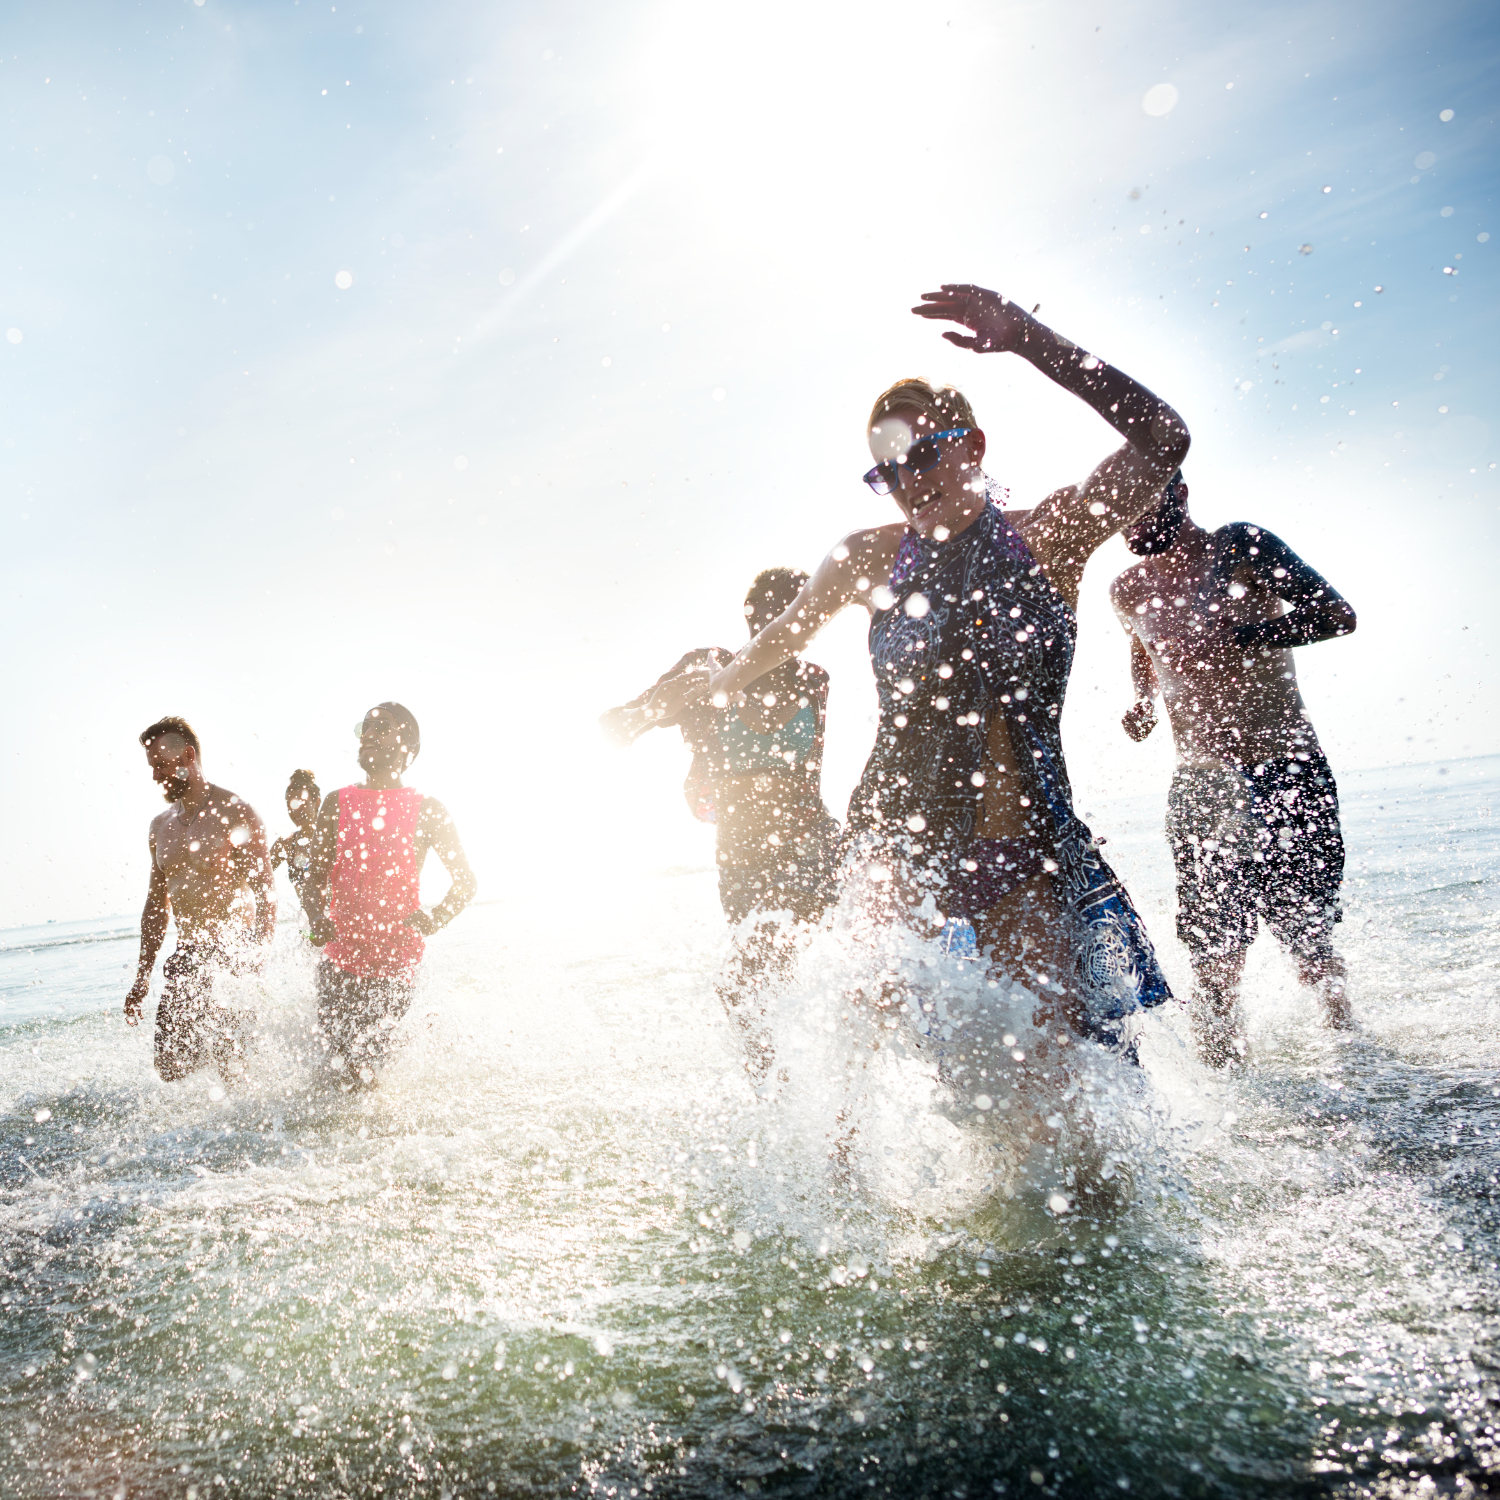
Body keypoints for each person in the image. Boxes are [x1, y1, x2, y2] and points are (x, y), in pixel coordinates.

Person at [651, 284, 1191, 1048]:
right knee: (874, 1058)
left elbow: (1164, 439)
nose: (909, 481)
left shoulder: (1050, 538)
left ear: (974, 447)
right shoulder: (868, 559)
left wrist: (1028, 338)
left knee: (1060, 1079)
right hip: (897, 849)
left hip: (1026, 846)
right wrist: (714, 684)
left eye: (924, 454)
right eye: (889, 472)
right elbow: (779, 637)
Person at [1110, 471, 1357, 1065]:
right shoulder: (1126, 588)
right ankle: (1224, 1080)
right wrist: (1143, 700)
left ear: (1179, 493)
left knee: (1308, 940)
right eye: (1120, 510)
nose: (1128, 521)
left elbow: (1336, 614)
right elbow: (1142, 646)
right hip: (1201, 782)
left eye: (1141, 503)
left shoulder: (1239, 544)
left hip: (1285, 768)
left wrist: (1242, 636)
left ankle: (1352, 1053)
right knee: (1211, 952)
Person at [601, 567, 841, 1076]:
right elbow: (614, 729)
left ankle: (815, 1085)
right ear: (753, 617)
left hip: (810, 841)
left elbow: (809, 779)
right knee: (756, 984)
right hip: (742, 851)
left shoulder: (815, 680)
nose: (794, 628)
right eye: (783, 614)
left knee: (756, 978)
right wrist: (661, 705)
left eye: (807, 617)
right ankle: (778, 1088)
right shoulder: (706, 667)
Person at [301, 702, 477, 1087]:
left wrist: (435, 918)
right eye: (364, 727)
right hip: (339, 960)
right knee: (335, 1074)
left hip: (395, 966)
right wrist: (316, 919)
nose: (368, 734)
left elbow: (466, 881)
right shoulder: (335, 803)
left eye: (381, 728)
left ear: (407, 747)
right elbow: (314, 879)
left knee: (365, 1071)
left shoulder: (427, 809)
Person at [125, 717, 276, 1082]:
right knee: (171, 1069)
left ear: (188, 756)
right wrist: (143, 976)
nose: (155, 775)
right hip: (187, 958)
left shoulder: (234, 812)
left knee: (233, 1070)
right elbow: (156, 906)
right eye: (152, 767)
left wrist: (256, 957)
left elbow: (265, 892)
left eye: (161, 765)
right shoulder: (160, 826)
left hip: (232, 957)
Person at [269, 769, 320, 914]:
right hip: (309, 925)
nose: (296, 810)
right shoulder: (286, 844)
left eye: (301, 803)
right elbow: (256, 876)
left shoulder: (335, 837)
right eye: (290, 805)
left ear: (317, 802)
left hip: (343, 921)